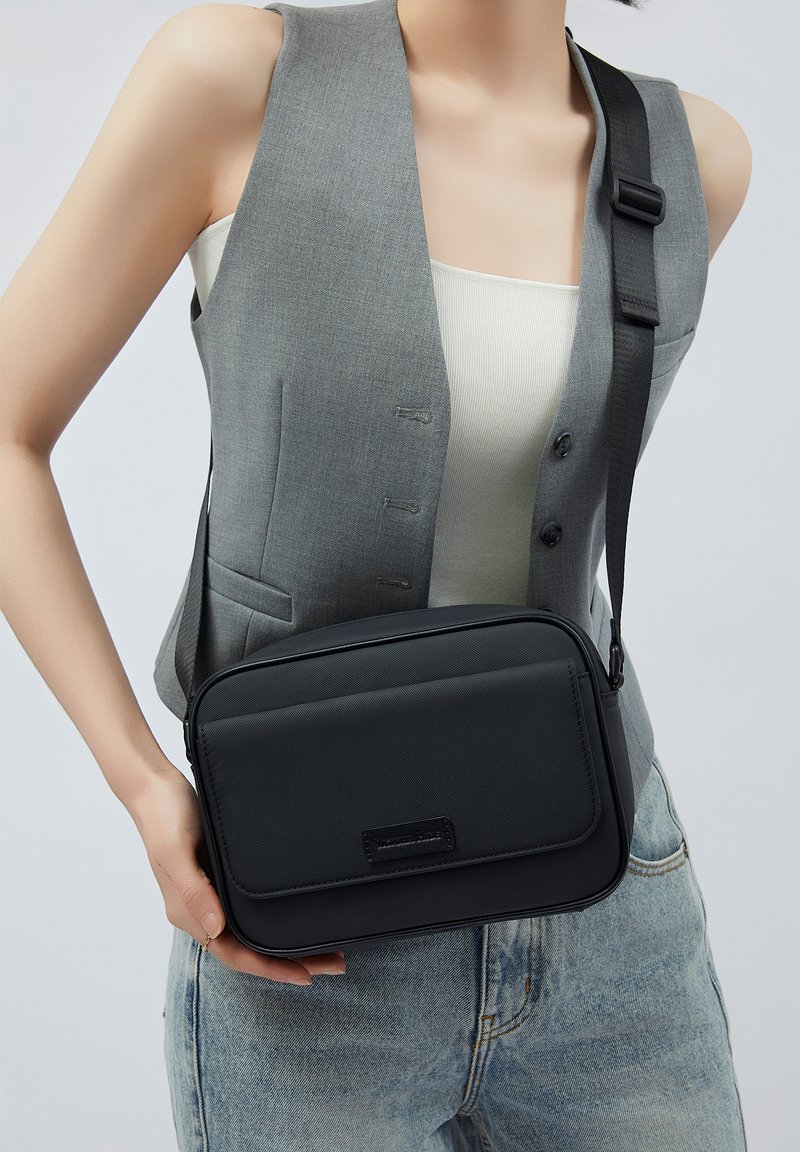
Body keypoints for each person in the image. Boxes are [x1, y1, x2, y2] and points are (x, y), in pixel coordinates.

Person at [0, 1, 752, 1148]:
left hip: (610, 907)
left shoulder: (690, 157)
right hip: (307, 922)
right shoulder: (238, 80)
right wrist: (145, 786)